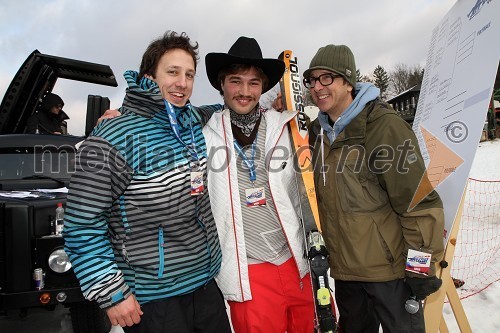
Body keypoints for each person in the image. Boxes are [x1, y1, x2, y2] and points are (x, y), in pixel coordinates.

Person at [63, 31, 231, 333]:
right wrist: (112, 294)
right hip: (155, 300)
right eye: (172, 72)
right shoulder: (114, 136)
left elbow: (222, 110)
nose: (182, 82)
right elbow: (81, 223)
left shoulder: (190, 121)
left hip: (205, 287)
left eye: (189, 75)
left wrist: (267, 105)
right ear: (149, 76)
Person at [302, 44, 445, 332]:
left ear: (348, 81)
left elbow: (418, 203)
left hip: (389, 275)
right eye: (312, 80)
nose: (318, 87)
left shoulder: (382, 126)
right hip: (345, 274)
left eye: (327, 78)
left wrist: (420, 269)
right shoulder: (318, 134)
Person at [202, 37, 316, 333]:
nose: (244, 91)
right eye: (235, 81)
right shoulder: (203, 134)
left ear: (263, 87)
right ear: (221, 85)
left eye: (253, 83)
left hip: (297, 263)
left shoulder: (287, 127)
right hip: (247, 271)